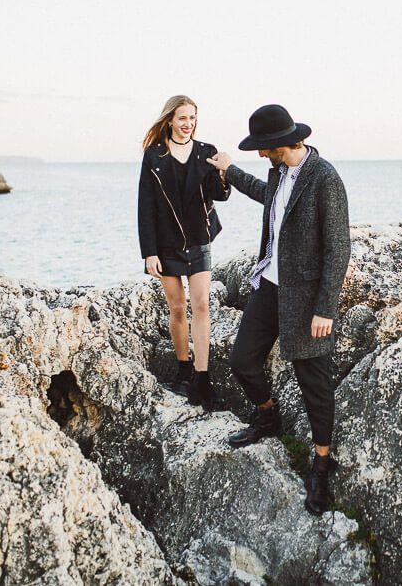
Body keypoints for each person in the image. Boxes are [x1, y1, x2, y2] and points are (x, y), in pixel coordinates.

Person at [207, 103, 351, 516]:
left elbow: (338, 248)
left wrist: (325, 308)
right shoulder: (278, 172)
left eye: (263, 148)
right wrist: (228, 170)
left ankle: (322, 463)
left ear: (281, 143)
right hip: (269, 286)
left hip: (306, 300)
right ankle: (268, 417)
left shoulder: (325, 180)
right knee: (242, 360)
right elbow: (263, 194)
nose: (261, 155)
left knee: (315, 385)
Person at [138, 95, 229, 409]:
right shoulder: (154, 156)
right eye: (182, 118)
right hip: (166, 245)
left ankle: (203, 379)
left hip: (199, 240)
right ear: (170, 120)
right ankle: (183, 370)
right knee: (177, 308)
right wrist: (149, 252)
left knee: (201, 305)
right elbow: (145, 207)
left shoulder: (206, 152)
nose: (188, 123)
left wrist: (223, 172)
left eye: (192, 118)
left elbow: (220, 195)